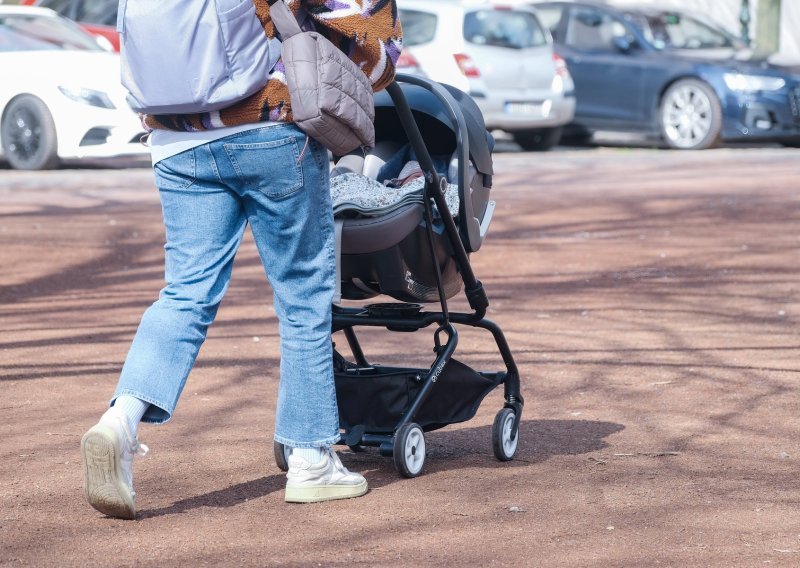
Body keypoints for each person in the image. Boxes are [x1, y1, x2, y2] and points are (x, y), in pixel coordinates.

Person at [80, 0, 402, 519]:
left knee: (185, 293)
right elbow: (362, 27)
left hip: (175, 139)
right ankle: (310, 459)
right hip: (268, 131)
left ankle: (120, 420)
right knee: (302, 295)